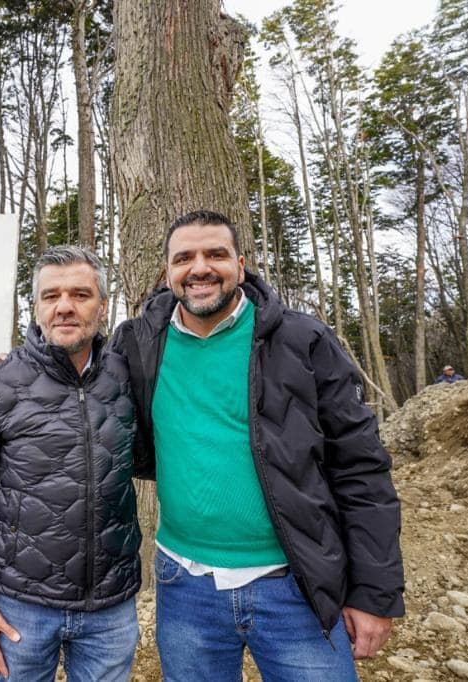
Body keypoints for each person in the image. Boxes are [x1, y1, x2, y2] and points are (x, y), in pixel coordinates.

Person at [112, 210, 405, 681]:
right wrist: (16, 367)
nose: (200, 268)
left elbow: (361, 470)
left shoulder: (302, 340)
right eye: (184, 257)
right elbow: (76, 384)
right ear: (168, 272)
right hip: (183, 585)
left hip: (297, 584)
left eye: (216, 254)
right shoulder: (139, 343)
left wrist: (373, 592)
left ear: (241, 265)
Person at [0, 245, 141, 681]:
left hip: (111, 608)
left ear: (103, 306)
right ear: (35, 308)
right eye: (51, 296)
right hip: (21, 609)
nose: (65, 307)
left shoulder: (129, 377)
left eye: (80, 295)